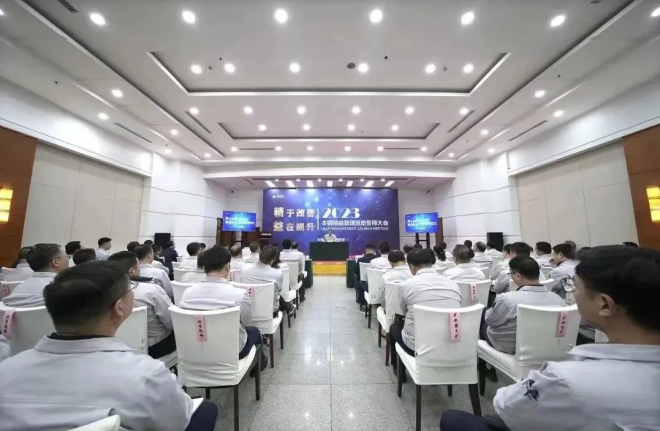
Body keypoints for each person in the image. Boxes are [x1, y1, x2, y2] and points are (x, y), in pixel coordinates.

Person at [441, 245, 660, 431]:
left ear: (604, 304)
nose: (571, 294)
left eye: (575, 287)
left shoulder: (567, 378)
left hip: (509, 357)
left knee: (453, 419)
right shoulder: (558, 303)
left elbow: (507, 406)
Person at [0, 261, 217, 431]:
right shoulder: (146, 375)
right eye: (131, 287)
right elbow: (177, 421)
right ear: (119, 307)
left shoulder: (6, 370)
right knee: (206, 411)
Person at [179, 246, 268, 373]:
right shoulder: (239, 295)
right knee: (254, 331)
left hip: (195, 351)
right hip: (231, 352)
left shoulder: (187, 293)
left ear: (204, 268)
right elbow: (247, 322)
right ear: (227, 267)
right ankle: (260, 364)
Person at [389, 249, 461, 372]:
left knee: (394, 327)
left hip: (418, 347)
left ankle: (398, 370)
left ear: (412, 267)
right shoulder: (452, 283)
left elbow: (403, 312)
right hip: (450, 344)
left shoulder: (405, 285)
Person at [481, 256, 565, 354]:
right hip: (544, 345)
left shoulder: (507, 299)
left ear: (518, 276)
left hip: (508, 345)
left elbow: (491, 321)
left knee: (482, 314)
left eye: (511, 274)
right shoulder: (558, 300)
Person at [108, 251, 175, 359]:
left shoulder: (102, 295)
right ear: (132, 271)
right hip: (156, 347)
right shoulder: (151, 290)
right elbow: (170, 321)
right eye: (138, 265)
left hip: (117, 348)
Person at [3, 243, 69, 308]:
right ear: (56, 262)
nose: (69, 259)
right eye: (67, 257)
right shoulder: (65, 291)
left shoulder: (16, 291)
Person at [242, 245, 296, 316]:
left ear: (259, 254)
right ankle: (288, 308)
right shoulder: (277, 274)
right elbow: (279, 290)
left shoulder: (244, 269)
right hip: (270, 312)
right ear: (273, 260)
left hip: (248, 309)